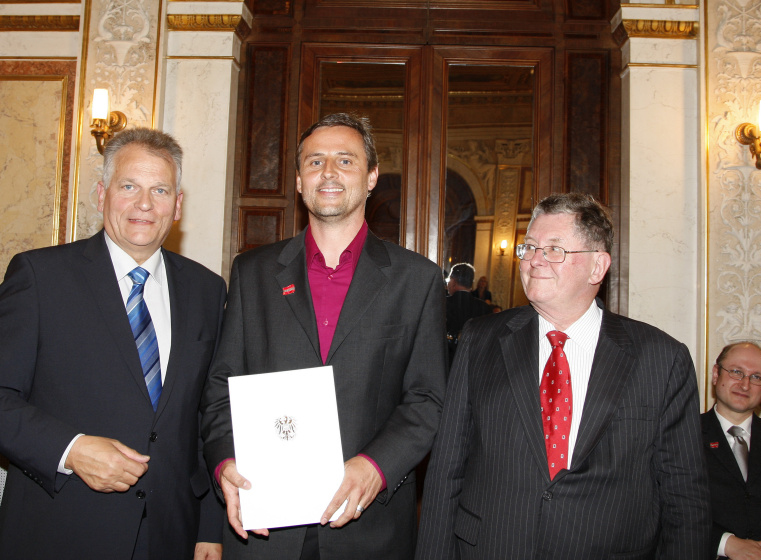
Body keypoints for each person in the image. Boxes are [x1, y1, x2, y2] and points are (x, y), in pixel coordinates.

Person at [201, 113, 447, 559]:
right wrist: (224, 462)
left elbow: (428, 398)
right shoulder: (252, 273)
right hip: (264, 528)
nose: (328, 172)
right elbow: (221, 388)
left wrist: (376, 467)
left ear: (371, 177)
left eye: (345, 161)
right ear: (299, 181)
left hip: (369, 530)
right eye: (315, 162)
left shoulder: (417, 280)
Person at [416, 192, 710, 559]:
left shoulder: (661, 359)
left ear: (597, 267)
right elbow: (447, 468)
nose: (534, 260)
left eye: (554, 249)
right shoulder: (481, 339)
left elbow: (685, 498)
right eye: (529, 247)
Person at [0, 128, 226, 559]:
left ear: (177, 205)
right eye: (129, 187)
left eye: (160, 190)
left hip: (171, 535)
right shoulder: (39, 277)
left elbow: (208, 415)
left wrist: (209, 528)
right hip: (61, 531)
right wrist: (71, 449)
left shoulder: (207, 290)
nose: (145, 204)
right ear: (102, 194)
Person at [702, 342, 761, 560]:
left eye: (756, 377)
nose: (745, 384)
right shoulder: (682, 437)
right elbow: (664, 511)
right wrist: (725, 544)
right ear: (716, 374)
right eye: (736, 372)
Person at [445, 263, 493, 364]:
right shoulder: (485, 308)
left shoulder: (441, 303)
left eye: (449, 280)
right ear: (471, 285)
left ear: (453, 282)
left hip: (446, 362)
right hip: (474, 363)